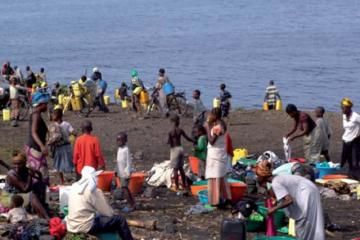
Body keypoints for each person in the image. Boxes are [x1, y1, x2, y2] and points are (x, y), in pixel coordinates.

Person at [254, 161, 325, 240]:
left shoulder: (275, 182)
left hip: (307, 191)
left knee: (304, 223)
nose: (257, 177)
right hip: (309, 188)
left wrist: (273, 209)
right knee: (311, 223)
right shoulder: (277, 178)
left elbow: (289, 200)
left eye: (257, 175)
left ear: (262, 175)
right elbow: (280, 194)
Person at [66, 166, 133, 240]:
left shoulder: (74, 187)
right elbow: (108, 213)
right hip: (86, 226)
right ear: (93, 177)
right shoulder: (93, 191)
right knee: (120, 220)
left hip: (71, 225)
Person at [5, 151, 49, 219]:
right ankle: (47, 217)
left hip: (20, 195)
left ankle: (41, 210)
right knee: (32, 195)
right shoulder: (11, 174)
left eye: (19, 164)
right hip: (10, 198)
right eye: (15, 164)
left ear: (25, 163)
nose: (17, 166)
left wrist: (36, 171)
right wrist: (30, 176)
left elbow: (40, 178)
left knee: (41, 186)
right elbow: (25, 189)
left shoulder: (25, 170)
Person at [204, 108, 232, 206]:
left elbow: (211, 141)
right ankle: (225, 197)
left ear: (215, 115)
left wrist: (207, 128)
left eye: (211, 114)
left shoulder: (217, 127)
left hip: (215, 154)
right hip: (219, 153)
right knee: (221, 176)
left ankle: (215, 200)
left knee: (214, 176)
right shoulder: (221, 123)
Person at [26, 91, 50, 185]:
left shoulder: (36, 113)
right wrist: (42, 146)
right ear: (41, 104)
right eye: (46, 104)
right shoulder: (36, 115)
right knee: (40, 173)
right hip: (35, 148)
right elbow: (33, 132)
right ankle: (40, 193)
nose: (47, 106)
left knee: (36, 172)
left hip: (34, 147)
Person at [47, 109, 75, 185]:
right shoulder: (66, 124)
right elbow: (73, 132)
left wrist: (49, 143)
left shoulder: (52, 126)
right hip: (65, 146)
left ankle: (64, 180)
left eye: (53, 115)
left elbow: (51, 137)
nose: (52, 116)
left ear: (57, 116)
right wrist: (71, 137)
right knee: (64, 164)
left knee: (61, 164)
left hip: (60, 147)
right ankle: (65, 180)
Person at [168, 114, 193, 191]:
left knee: (175, 169)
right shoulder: (180, 130)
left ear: (172, 122)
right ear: (178, 121)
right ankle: (185, 185)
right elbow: (188, 138)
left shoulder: (170, 132)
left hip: (174, 150)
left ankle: (177, 187)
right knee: (181, 168)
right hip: (180, 148)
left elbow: (169, 142)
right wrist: (194, 141)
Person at [114, 132, 135, 212]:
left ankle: (130, 205)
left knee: (124, 189)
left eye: (120, 141)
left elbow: (129, 162)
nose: (118, 142)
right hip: (121, 171)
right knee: (125, 188)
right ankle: (132, 204)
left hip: (125, 173)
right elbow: (119, 161)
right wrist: (116, 170)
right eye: (117, 140)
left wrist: (127, 172)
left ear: (125, 141)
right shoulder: (120, 149)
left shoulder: (126, 149)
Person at [340, 98, 360, 180]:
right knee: (349, 161)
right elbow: (347, 129)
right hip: (345, 140)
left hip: (355, 142)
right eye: (341, 107)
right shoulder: (344, 115)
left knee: (355, 162)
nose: (342, 109)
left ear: (349, 108)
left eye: (344, 108)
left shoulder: (356, 116)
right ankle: (351, 177)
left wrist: (358, 135)